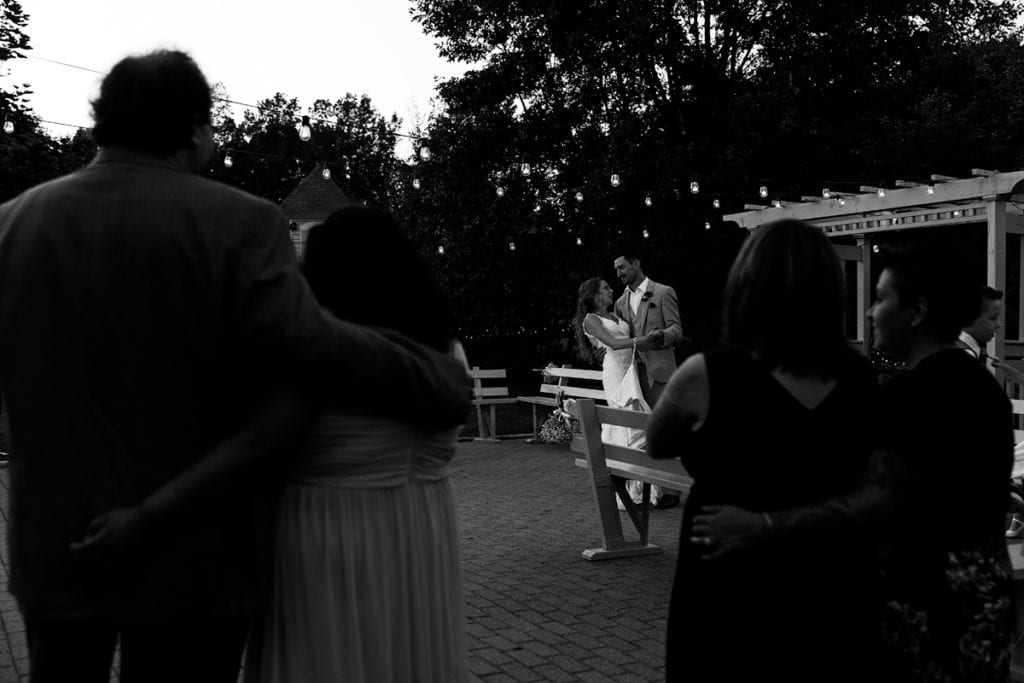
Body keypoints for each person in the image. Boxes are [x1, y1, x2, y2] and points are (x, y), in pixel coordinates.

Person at [0, 50, 469, 683]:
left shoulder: (14, 223)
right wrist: (433, 378)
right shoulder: (237, 221)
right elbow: (312, 342)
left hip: (58, 541)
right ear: (194, 128)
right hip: (196, 553)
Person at [681, 240, 1017, 681]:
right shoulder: (982, 387)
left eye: (881, 299)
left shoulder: (913, 395)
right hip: (985, 599)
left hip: (930, 606)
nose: (870, 313)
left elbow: (873, 502)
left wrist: (759, 525)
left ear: (916, 312)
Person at [646, 219, 886, 682]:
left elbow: (658, 442)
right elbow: (874, 490)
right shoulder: (858, 378)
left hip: (728, 577)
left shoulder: (706, 374)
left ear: (747, 286)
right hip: (829, 576)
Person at [241, 206, 470, 682]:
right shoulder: (444, 349)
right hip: (422, 529)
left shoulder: (317, 347)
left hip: (329, 534)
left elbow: (257, 444)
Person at [575, 277, 663, 509]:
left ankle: (642, 485)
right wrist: (642, 340)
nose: (611, 289)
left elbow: (627, 334)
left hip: (631, 370)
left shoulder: (616, 315)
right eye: (605, 288)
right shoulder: (590, 320)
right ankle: (622, 484)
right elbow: (613, 343)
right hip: (615, 372)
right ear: (595, 296)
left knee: (637, 421)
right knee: (624, 422)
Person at [612, 253, 684, 508]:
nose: (619, 273)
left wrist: (660, 336)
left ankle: (673, 491)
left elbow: (677, 330)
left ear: (637, 263)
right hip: (633, 375)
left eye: (622, 267)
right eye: (617, 270)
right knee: (641, 431)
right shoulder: (620, 302)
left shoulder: (663, 292)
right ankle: (649, 488)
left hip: (661, 372)